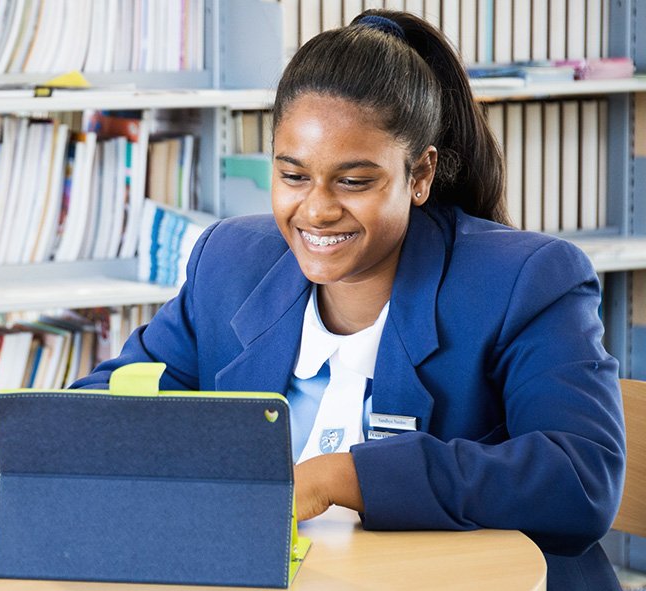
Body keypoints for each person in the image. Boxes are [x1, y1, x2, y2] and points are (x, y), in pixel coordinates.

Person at [72, 9, 625, 590]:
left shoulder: (526, 279)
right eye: (293, 176)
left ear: (420, 174)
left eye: (354, 181)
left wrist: (343, 477)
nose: (316, 209)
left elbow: (580, 478)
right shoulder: (229, 261)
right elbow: (107, 407)